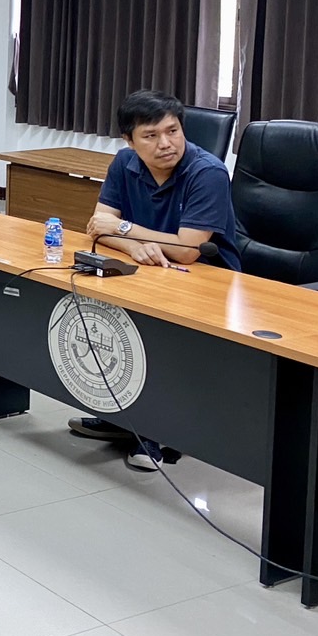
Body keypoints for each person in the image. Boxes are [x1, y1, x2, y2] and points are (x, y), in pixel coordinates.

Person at [69, 88, 241, 471]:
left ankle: (155, 432)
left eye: (173, 131)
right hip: (151, 269)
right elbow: (97, 227)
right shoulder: (124, 163)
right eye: (151, 135)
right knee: (104, 315)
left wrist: (125, 230)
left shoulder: (208, 172)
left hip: (209, 281)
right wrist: (134, 247)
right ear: (129, 141)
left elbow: (188, 249)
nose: (166, 143)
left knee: (155, 331)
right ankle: (123, 417)